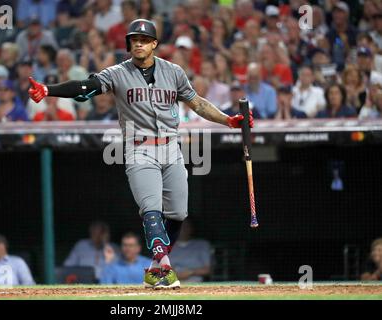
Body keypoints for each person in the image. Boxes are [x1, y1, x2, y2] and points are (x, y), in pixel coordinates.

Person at [29, 19, 253, 289]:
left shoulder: (173, 72)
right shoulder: (118, 73)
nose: (138, 43)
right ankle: (166, 268)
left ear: (154, 44)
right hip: (139, 147)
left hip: (171, 146)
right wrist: (49, 90)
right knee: (151, 208)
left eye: (144, 40)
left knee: (178, 213)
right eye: (134, 39)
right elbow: (85, 87)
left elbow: (197, 104)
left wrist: (228, 120)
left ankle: (154, 270)